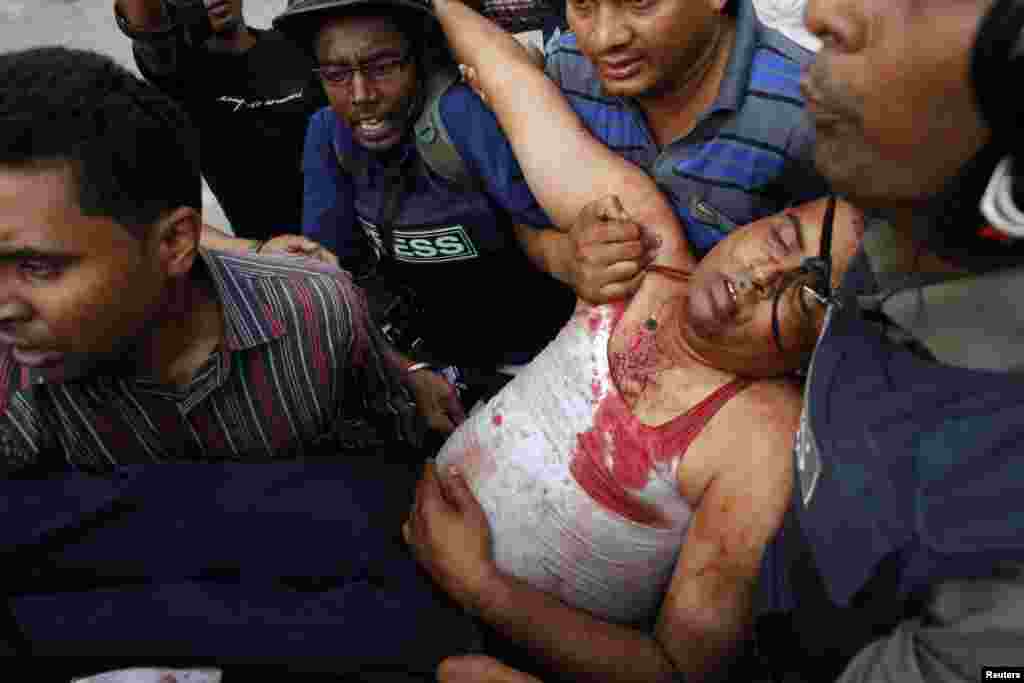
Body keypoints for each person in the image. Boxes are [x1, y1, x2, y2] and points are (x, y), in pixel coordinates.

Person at [432, 0, 1024, 680]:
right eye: (778, 234)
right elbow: (517, 91)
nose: (821, 12)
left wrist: (488, 592)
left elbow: (682, 663)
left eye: (916, 2)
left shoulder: (770, 437)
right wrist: (563, 251)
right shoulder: (662, 256)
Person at [0, 46, 480, 678]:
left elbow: (389, 502)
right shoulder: (12, 390)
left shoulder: (314, 318)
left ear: (172, 242)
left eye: (38, 267)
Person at [272, 0, 577, 429]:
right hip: (439, 368)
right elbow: (332, 277)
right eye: (337, 75)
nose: (361, 95)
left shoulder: (461, 118)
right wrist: (405, 368)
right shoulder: (328, 134)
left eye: (381, 67)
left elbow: (556, 235)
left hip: (539, 355)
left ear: (419, 56)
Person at [538, 0, 830, 304]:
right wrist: (565, 258)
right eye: (583, 4)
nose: (604, 38)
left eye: (639, 2)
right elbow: (511, 218)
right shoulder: (567, 68)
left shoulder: (813, 115)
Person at [113, 0, 326, 242]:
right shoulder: (182, 73)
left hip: (356, 243)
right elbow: (144, 22)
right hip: (279, 260)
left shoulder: (295, 45)